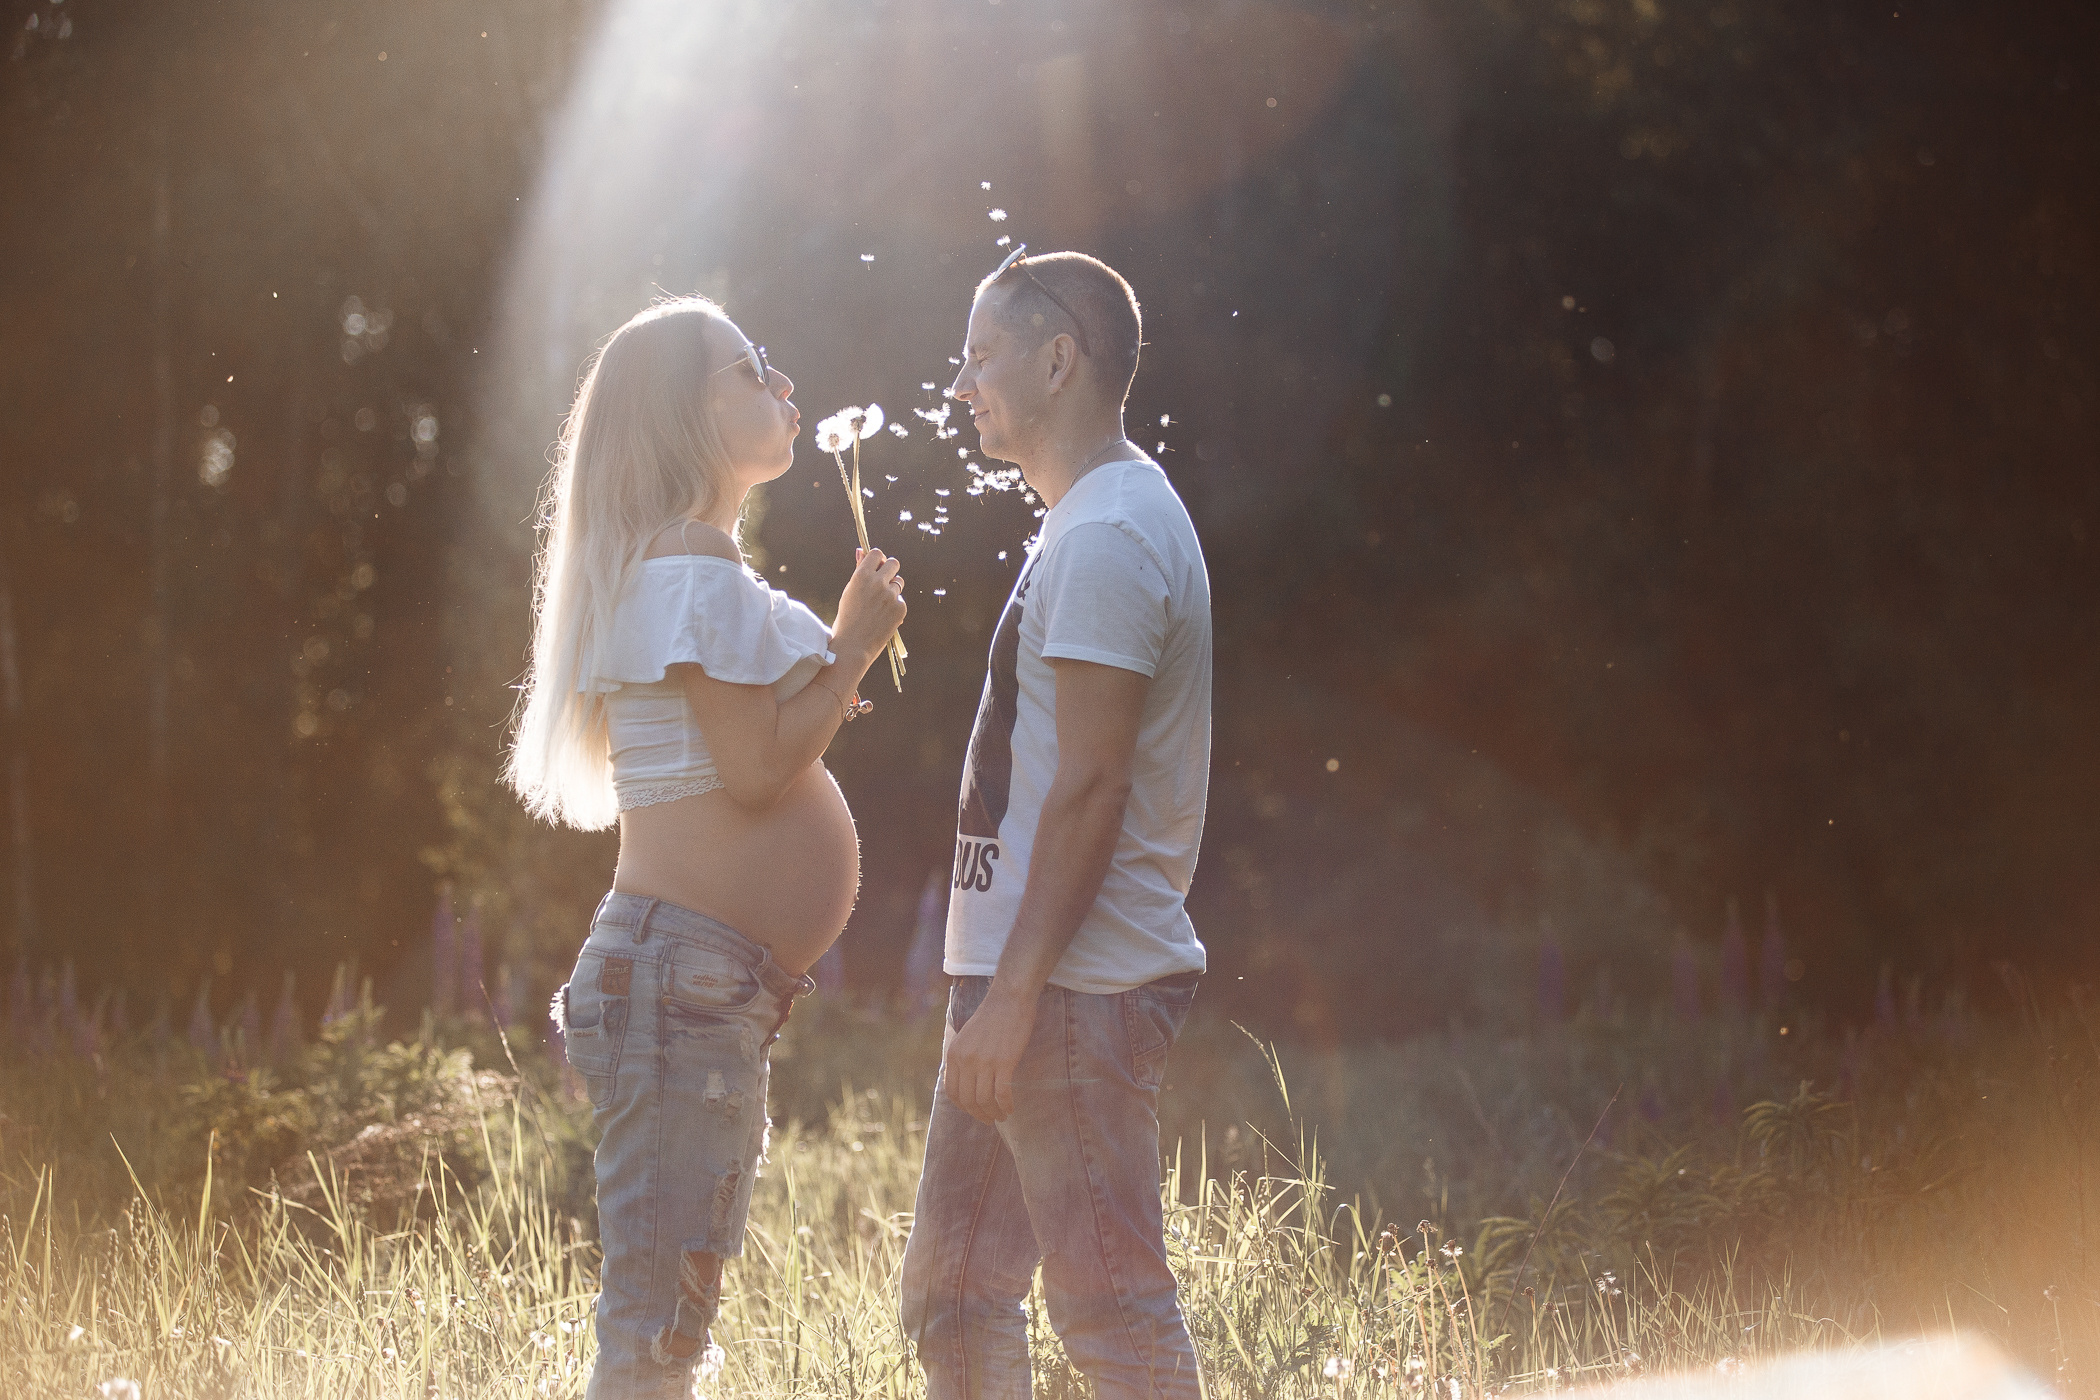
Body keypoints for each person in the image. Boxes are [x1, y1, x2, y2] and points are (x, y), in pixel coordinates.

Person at [505, 297, 906, 1399]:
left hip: (701, 982)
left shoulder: (690, 561)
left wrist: (829, 666)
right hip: (682, 978)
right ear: (685, 413)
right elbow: (758, 769)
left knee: (669, 1323)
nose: (782, 387)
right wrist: (854, 651)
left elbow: (752, 745)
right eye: (750, 370)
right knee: (654, 1331)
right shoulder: (689, 560)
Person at [900, 248, 1213, 1400]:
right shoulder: (1093, 519)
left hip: (1066, 997)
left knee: (1113, 1314)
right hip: (1025, 994)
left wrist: (1018, 991)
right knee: (958, 1294)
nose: (962, 382)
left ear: (1058, 358)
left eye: (981, 354)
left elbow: (1092, 783)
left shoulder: (1106, 537)